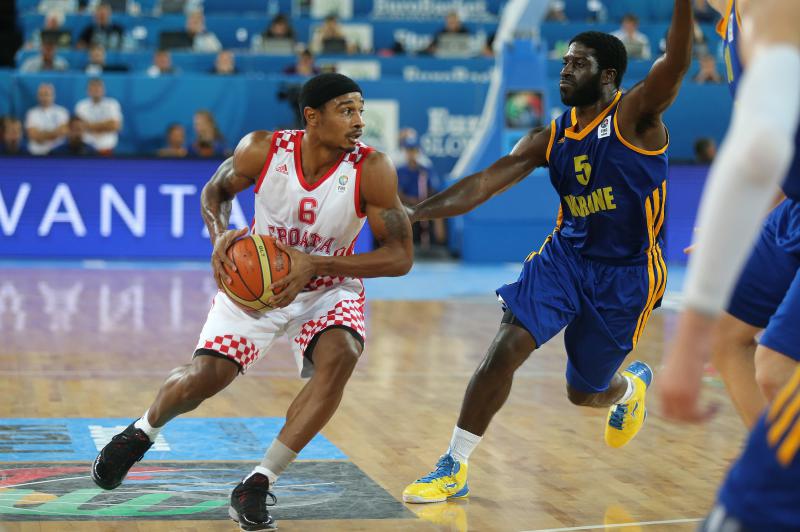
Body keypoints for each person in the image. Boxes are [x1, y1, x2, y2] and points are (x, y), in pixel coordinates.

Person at [91, 73, 413, 530]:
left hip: (327, 287)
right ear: (312, 116)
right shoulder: (263, 149)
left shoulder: (373, 167)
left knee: (342, 354)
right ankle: (142, 431)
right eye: (347, 111)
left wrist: (316, 265)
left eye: (360, 110)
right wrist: (219, 235)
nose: (359, 121)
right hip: (256, 284)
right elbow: (215, 191)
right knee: (204, 379)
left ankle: (258, 482)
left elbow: (400, 256)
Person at [402, 0, 694, 504]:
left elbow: (677, 62)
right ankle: (454, 464)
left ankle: (628, 388)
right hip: (565, 258)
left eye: (578, 63)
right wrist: (416, 213)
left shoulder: (635, 116)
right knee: (504, 349)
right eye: (564, 61)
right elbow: (486, 182)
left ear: (608, 76)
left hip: (627, 274)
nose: (565, 70)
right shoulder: (552, 135)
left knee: (583, 391)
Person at [656, 0, 800, 527]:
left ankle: (777, 483)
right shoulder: (735, 20)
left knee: (776, 366)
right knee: (729, 333)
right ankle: (776, 469)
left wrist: (686, 342)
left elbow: (758, 150)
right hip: (793, 205)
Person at [74, 78, 122, 155]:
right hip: (86, 147)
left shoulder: (112, 104)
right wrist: (106, 125)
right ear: (88, 90)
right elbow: (79, 127)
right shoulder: (81, 105)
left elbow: (115, 126)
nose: (96, 90)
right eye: (93, 88)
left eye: (98, 87)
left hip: (108, 146)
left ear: (104, 90)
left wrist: (90, 126)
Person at [24, 82, 69, 156]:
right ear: (37, 96)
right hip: (36, 152)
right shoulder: (31, 113)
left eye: (47, 94)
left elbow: (63, 131)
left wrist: (41, 135)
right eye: (42, 95)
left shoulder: (62, 112)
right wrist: (53, 134)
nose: (44, 97)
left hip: (58, 153)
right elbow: (33, 135)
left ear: (53, 95)